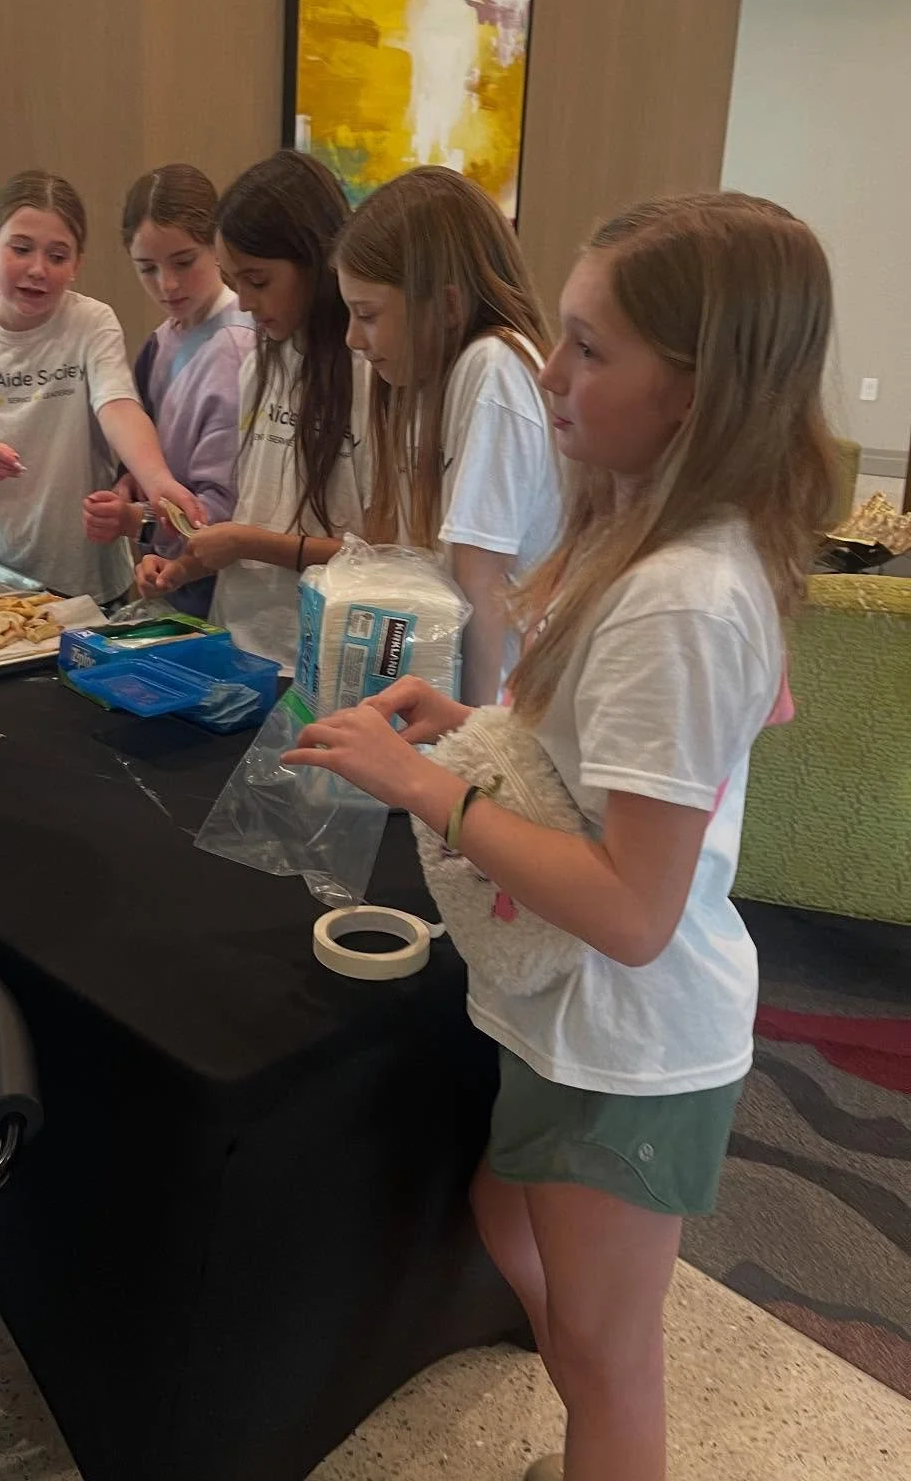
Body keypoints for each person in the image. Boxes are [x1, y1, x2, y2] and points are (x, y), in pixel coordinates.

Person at [284, 193, 838, 1481]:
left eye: (591, 347)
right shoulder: (651, 548)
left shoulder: (681, 602)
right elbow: (607, 776)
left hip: (629, 1040)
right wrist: (476, 722)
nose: (549, 370)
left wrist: (432, 789)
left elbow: (634, 912)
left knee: (607, 1361)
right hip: (575, 1023)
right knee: (507, 1221)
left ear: (698, 390)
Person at [0, 169, 202, 603]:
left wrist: (156, 479)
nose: (37, 270)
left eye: (58, 256)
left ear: (77, 264)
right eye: (21, 249)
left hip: (89, 576)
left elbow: (117, 405)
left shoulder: (90, 322)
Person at [334, 166, 562, 702]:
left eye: (366, 314)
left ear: (448, 304)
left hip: (500, 710)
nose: (352, 339)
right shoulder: (428, 377)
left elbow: (482, 590)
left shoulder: (492, 370)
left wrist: (472, 749)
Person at [137, 149, 371, 670]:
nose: (242, 302)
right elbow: (252, 515)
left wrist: (248, 542)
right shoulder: (262, 360)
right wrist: (185, 566)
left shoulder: (371, 373)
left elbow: (382, 557)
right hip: (239, 646)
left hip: (321, 661)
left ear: (317, 261)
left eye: (258, 281)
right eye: (233, 280)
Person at [82, 164, 255, 617]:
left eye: (183, 262)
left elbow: (220, 507)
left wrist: (135, 521)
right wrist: (126, 486)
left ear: (217, 246)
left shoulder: (236, 348)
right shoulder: (162, 340)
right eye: (147, 269)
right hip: (172, 576)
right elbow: (144, 450)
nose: (168, 284)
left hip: (218, 592)